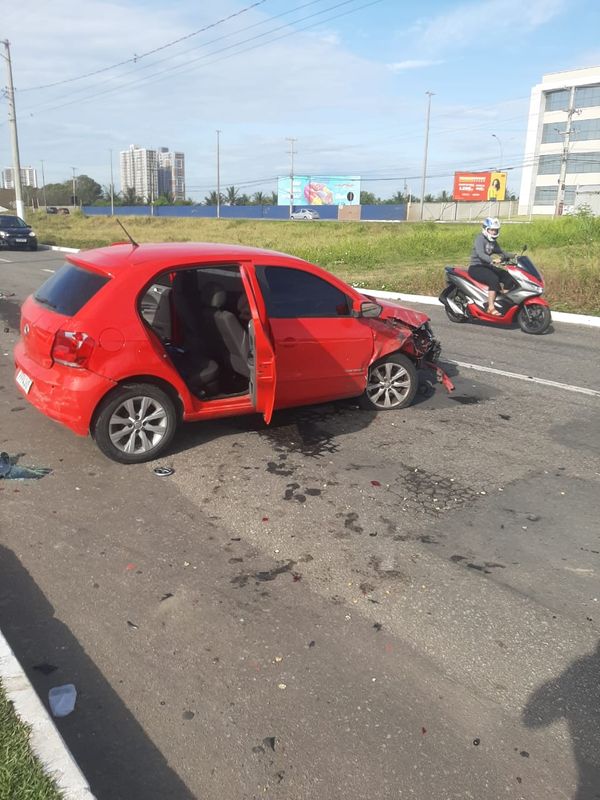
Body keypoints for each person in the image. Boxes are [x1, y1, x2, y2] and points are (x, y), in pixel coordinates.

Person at [468, 217, 511, 315]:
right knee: (493, 278)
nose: (494, 232)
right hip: (476, 267)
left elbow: (501, 252)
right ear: (486, 229)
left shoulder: (493, 242)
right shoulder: (480, 239)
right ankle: (490, 307)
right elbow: (480, 254)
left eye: (496, 230)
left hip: (487, 266)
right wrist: (492, 260)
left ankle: (502, 301)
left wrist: (514, 256)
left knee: (508, 276)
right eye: (492, 230)